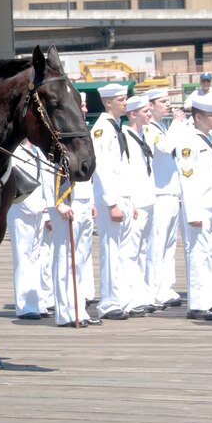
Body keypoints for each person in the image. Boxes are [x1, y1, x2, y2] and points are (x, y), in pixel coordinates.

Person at [91, 84, 148, 320]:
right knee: (111, 250)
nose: (125, 103)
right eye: (121, 100)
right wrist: (111, 202)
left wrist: (130, 200)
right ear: (108, 102)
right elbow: (102, 168)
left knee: (125, 251)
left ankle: (125, 298)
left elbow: (123, 167)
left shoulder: (117, 128)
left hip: (123, 196)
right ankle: (109, 302)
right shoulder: (102, 129)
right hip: (111, 199)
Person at [43, 98, 100, 327]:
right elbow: (50, 167)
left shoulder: (81, 130)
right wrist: (58, 202)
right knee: (66, 257)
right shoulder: (58, 130)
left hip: (83, 200)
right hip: (66, 200)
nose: (85, 109)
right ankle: (66, 312)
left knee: (80, 258)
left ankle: (79, 310)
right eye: (81, 105)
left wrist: (92, 200)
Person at [174, 96, 212, 321]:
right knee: (198, 254)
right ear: (198, 117)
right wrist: (193, 211)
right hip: (200, 206)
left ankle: (210, 301)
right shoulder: (189, 141)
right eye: (211, 116)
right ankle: (197, 304)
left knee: (211, 254)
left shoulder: (209, 139)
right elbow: (188, 178)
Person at [144, 89, 186, 308]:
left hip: (171, 192)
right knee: (157, 244)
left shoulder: (161, 127)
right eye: (162, 101)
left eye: (168, 101)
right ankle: (153, 289)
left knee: (170, 245)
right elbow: (164, 147)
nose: (167, 105)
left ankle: (166, 287)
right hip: (159, 193)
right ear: (150, 105)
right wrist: (178, 124)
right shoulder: (149, 128)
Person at [121, 95, 159, 311]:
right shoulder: (125, 136)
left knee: (144, 249)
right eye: (145, 111)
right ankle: (132, 297)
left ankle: (142, 293)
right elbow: (125, 171)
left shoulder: (144, 134)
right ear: (133, 114)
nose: (149, 114)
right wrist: (131, 201)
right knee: (131, 251)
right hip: (136, 199)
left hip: (148, 198)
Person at [7, 140, 51, 320]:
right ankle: (25, 305)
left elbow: (44, 179)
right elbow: (17, 183)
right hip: (22, 208)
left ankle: (38, 301)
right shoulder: (14, 151)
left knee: (36, 256)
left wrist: (46, 206)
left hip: (40, 210)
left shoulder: (37, 152)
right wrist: (39, 206)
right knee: (23, 257)